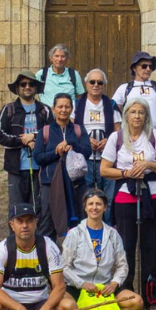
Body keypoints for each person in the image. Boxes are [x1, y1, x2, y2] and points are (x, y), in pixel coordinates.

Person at [99, 97, 156, 310]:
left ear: (146, 116)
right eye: (133, 112)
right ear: (126, 115)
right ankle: (127, 294)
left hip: (151, 194)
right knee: (126, 246)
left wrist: (148, 164)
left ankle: (151, 298)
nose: (137, 116)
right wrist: (126, 173)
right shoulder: (116, 137)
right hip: (125, 195)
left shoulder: (153, 136)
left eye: (141, 112)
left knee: (149, 245)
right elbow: (104, 169)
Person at [60, 189, 144, 310]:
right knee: (65, 307)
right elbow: (64, 266)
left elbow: (122, 265)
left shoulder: (113, 234)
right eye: (90, 204)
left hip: (105, 288)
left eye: (98, 204)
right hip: (77, 286)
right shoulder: (74, 234)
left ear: (105, 207)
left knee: (136, 302)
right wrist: (82, 284)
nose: (94, 207)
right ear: (85, 207)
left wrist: (114, 283)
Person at [33, 93, 93, 237]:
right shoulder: (45, 131)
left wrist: (71, 143)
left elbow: (87, 152)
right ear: (53, 109)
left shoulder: (78, 130)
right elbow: (38, 157)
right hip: (50, 183)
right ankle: (48, 250)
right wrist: (57, 152)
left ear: (72, 109)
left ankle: (76, 250)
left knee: (79, 222)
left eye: (67, 106)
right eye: (60, 106)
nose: (64, 110)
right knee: (48, 222)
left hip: (76, 184)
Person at [0, 71, 53, 221]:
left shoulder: (45, 110)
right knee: (16, 208)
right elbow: (0, 135)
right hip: (16, 168)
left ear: (35, 88)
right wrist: (24, 140)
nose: (27, 87)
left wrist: (34, 137)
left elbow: (52, 133)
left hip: (40, 167)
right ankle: (15, 236)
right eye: (23, 84)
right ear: (17, 88)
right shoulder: (9, 110)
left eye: (31, 84)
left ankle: (38, 235)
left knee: (39, 207)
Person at [75, 69, 121, 218]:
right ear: (86, 84)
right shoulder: (77, 104)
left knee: (108, 197)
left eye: (100, 82)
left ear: (104, 85)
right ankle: (86, 226)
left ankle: (107, 226)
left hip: (107, 159)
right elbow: (71, 129)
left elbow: (118, 131)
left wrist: (108, 141)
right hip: (84, 159)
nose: (96, 85)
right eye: (92, 82)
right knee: (86, 196)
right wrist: (86, 140)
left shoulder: (111, 104)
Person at [36, 43, 85, 108]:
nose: (59, 59)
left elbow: (80, 95)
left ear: (67, 59)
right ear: (51, 58)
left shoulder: (74, 74)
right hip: (47, 113)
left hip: (68, 113)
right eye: (56, 56)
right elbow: (32, 92)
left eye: (62, 56)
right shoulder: (42, 74)